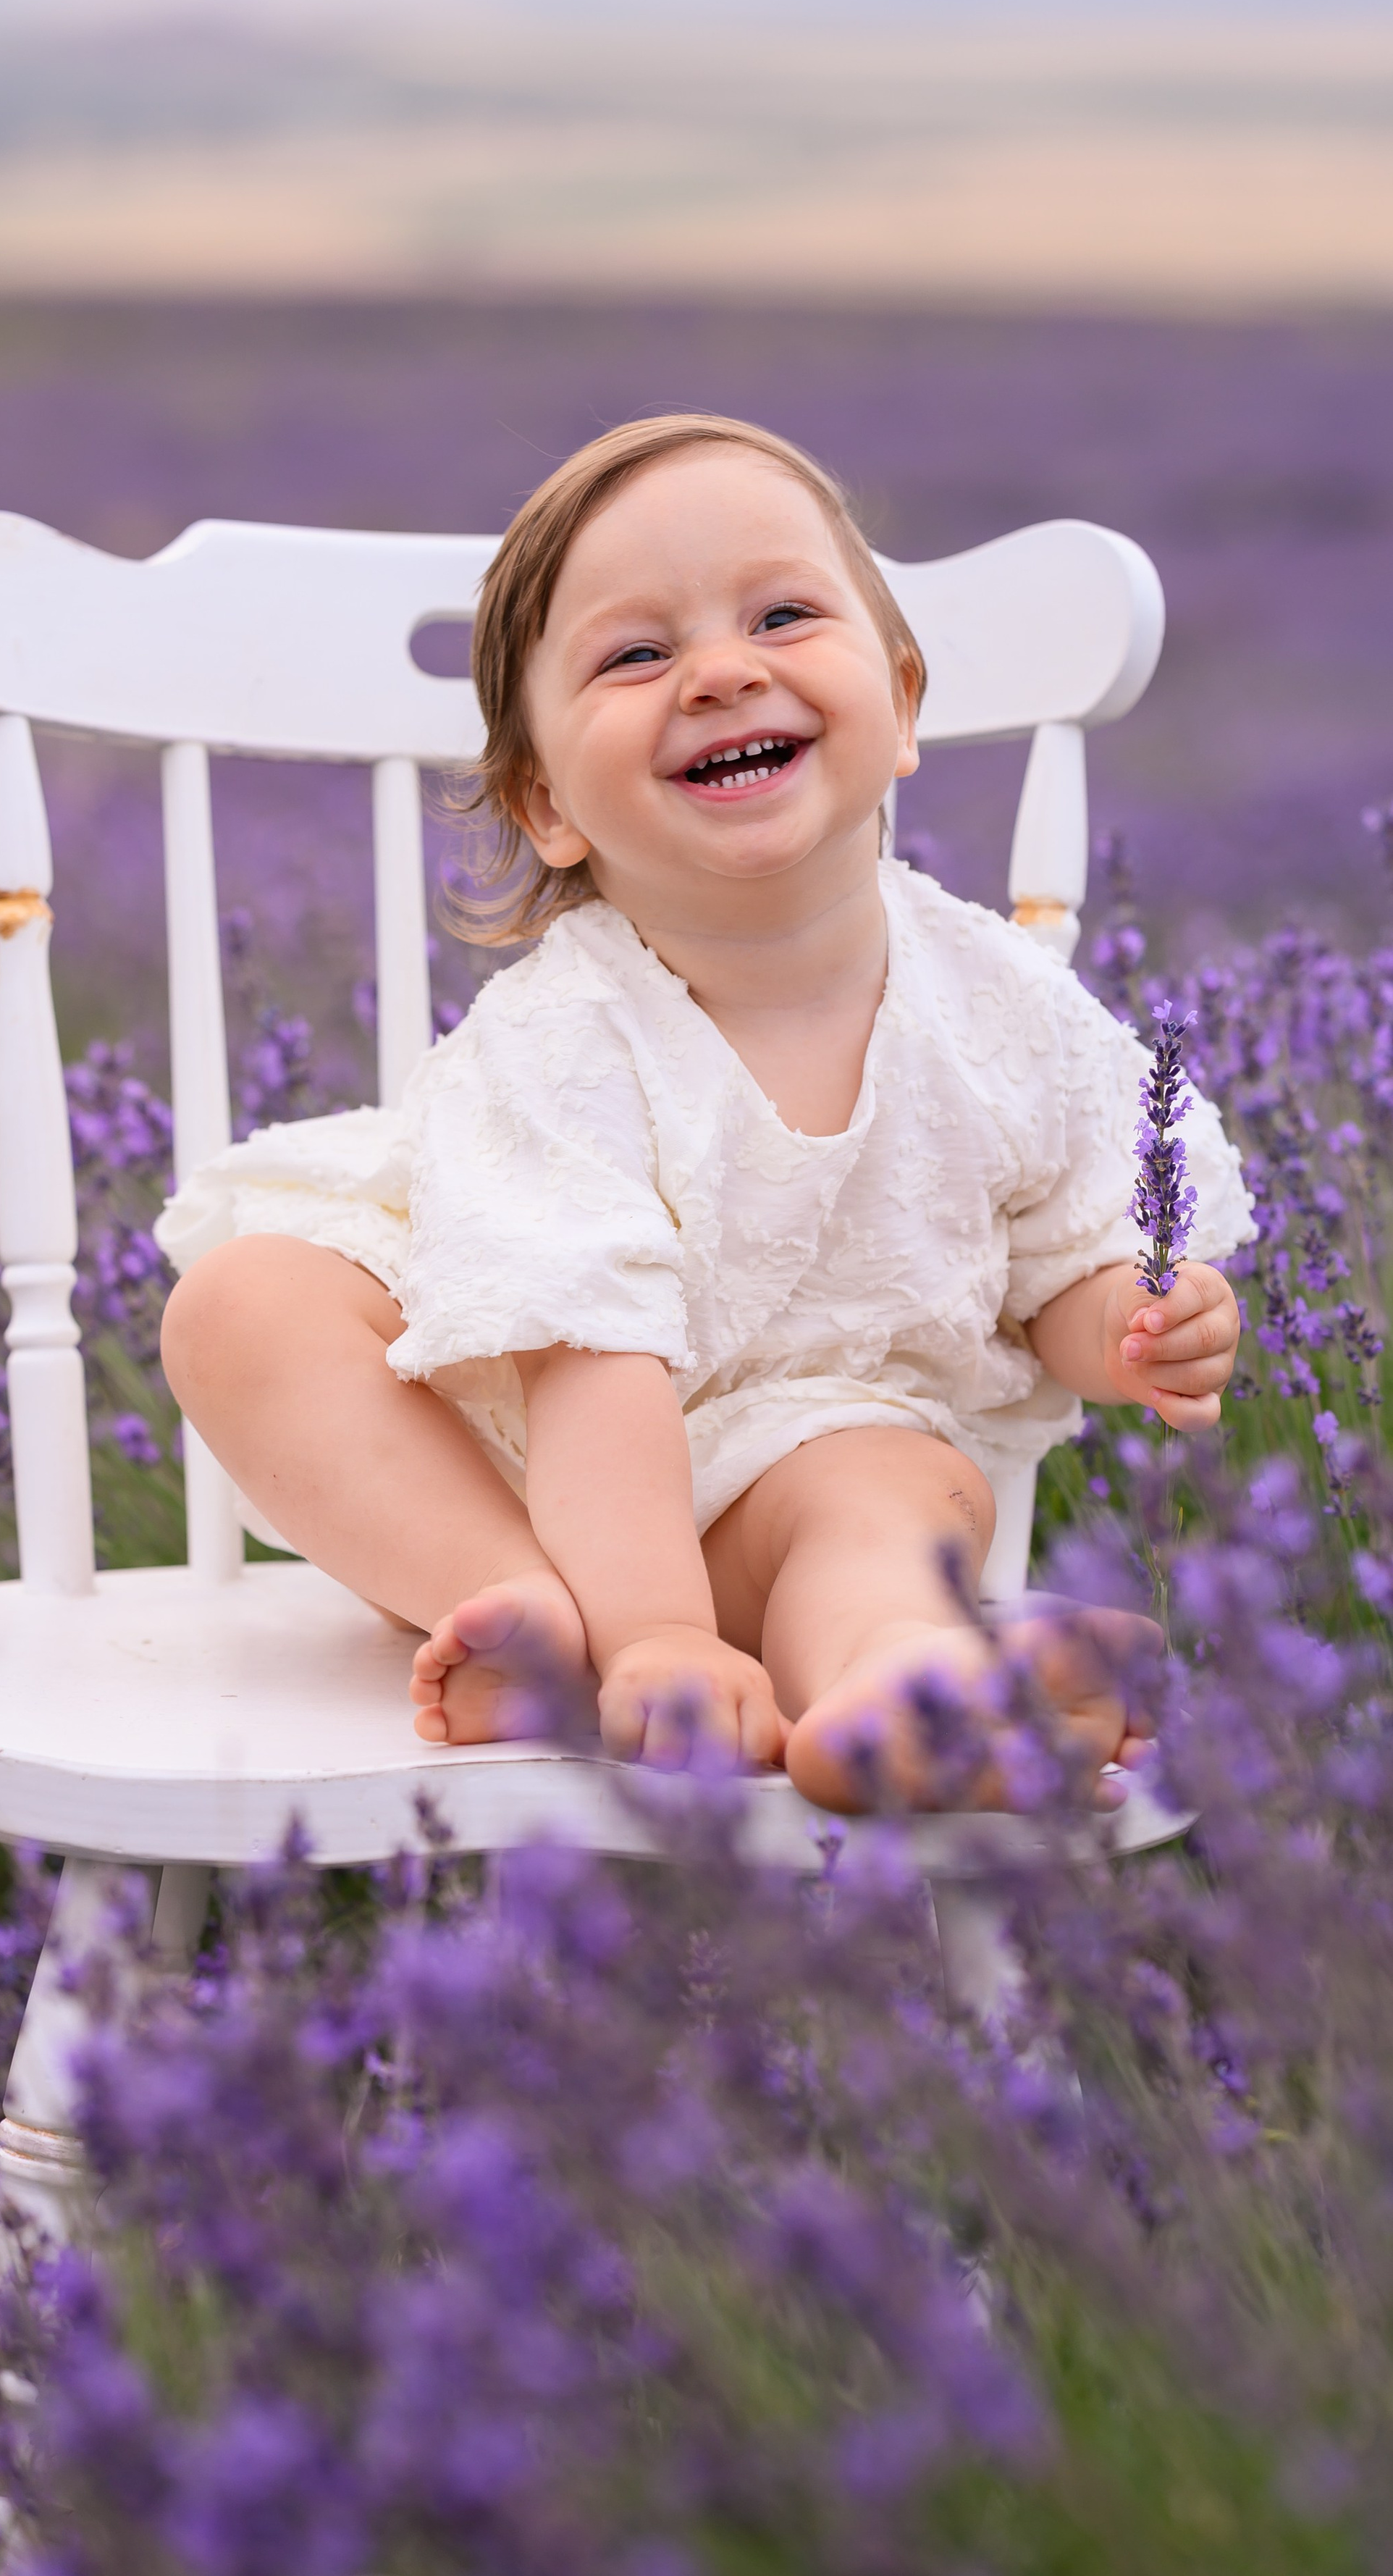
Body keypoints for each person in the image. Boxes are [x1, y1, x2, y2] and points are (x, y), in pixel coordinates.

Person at [157, 415, 1252, 1811]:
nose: (724, 672)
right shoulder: (564, 1039)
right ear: (546, 800)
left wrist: (1137, 1325)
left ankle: (900, 1695)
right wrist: (655, 1632)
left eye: (784, 614)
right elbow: (585, 1368)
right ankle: (526, 1613)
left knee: (888, 1497)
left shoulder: (1004, 1007)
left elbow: (1064, 1261)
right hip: (513, 1464)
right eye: (635, 653)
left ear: (902, 702)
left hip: (797, 1470)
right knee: (246, 1305)